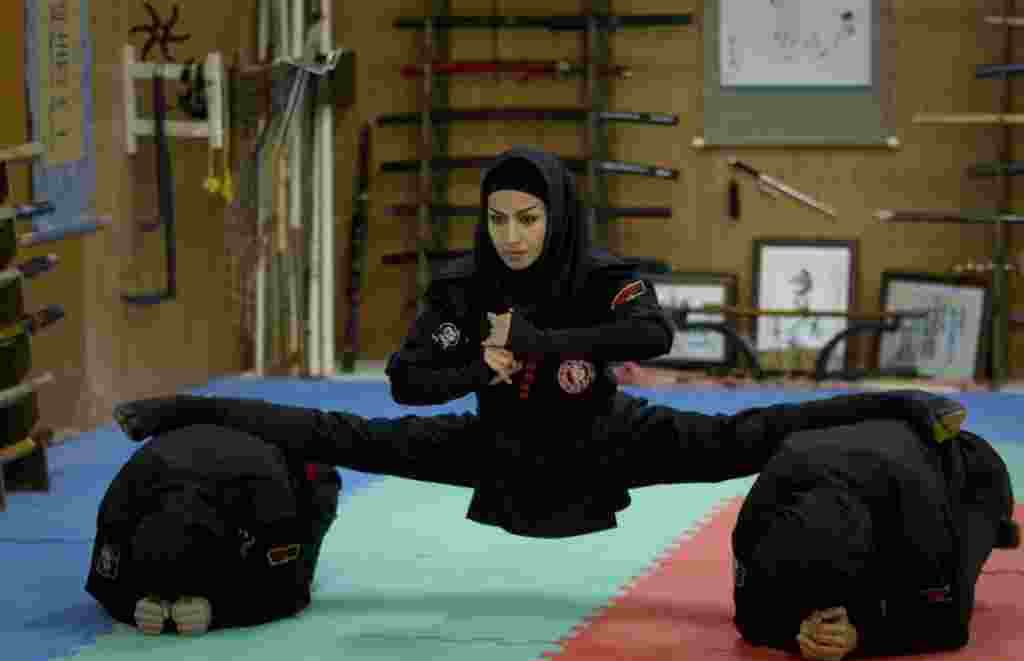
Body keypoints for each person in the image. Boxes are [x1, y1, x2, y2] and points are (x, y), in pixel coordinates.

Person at [112, 146, 967, 540]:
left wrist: (543, 338)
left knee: (757, 433)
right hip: (495, 444)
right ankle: (176, 408)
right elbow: (408, 379)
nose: (512, 235)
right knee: (339, 431)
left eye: (527, 219)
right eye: (497, 218)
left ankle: (907, 403)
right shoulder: (464, 289)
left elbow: (652, 331)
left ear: (554, 216)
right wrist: (481, 359)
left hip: (608, 438)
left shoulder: (602, 273)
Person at [731, 420, 1020, 661]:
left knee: (963, 557)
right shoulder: (757, 522)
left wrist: (861, 637)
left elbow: (949, 624)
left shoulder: (920, 522)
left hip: (972, 474)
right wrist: (795, 632)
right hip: (858, 455)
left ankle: (999, 529)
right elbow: (749, 618)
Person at [86, 424, 341, 635]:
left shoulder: (269, 506)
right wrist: (133, 604)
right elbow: (104, 587)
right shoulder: (121, 505)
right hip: (171, 455)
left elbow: (289, 591)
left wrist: (217, 612)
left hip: (267, 457)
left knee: (318, 481)